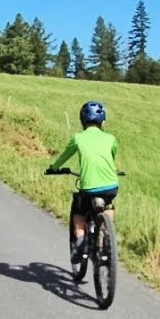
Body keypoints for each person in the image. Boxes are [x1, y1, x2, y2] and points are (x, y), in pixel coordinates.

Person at [45, 101, 119, 262]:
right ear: (103, 122)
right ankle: (108, 236)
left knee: (79, 212)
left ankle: (80, 239)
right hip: (111, 185)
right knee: (109, 204)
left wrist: (54, 168)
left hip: (89, 188)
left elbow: (65, 156)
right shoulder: (111, 138)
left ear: (82, 121)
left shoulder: (78, 138)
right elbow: (110, 157)